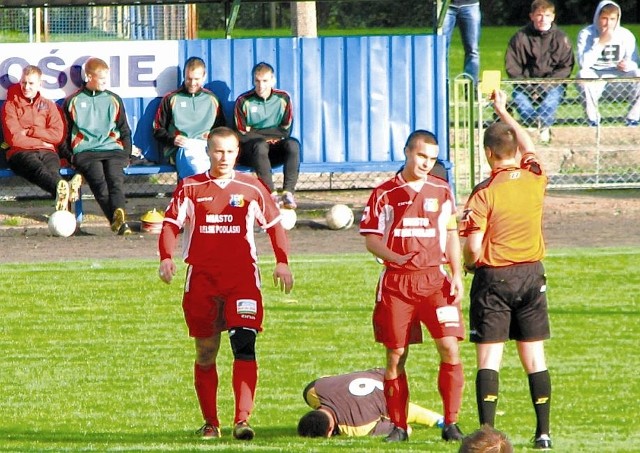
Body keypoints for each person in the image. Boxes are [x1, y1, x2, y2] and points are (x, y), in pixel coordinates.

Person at [157, 126, 294, 441]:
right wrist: (166, 257)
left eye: (230, 151)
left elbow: (274, 225)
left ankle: (242, 420)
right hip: (202, 280)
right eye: (218, 151)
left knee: (244, 345)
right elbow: (170, 225)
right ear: (208, 151)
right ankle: (210, 423)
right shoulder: (190, 187)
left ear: (237, 153)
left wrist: (282, 262)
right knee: (206, 351)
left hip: (242, 278)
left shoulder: (251, 186)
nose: (224, 157)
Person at [458, 89, 552, 450]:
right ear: (514, 152)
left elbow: (473, 246)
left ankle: (486, 435)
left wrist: (469, 265)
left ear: (487, 154)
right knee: (534, 357)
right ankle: (543, 433)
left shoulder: (483, 193)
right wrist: (504, 112)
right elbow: (527, 144)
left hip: (494, 278)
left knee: (490, 357)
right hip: (531, 274)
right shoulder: (535, 176)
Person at [359, 130, 465, 443]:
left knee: (449, 347)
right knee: (396, 354)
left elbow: (451, 234)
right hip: (397, 283)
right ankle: (399, 426)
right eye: (421, 156)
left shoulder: (442, 190)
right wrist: (396, 257)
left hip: (435, 280)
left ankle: (452, 423)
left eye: (431, 159)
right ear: (407, 152)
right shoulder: (384, 192)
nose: (425, 163)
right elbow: (371, 239)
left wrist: (457, 273)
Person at [60, 57, 133, 235]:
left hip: (113, 150)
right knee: (100, 185)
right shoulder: (72, 101)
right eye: (101, 79)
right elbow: (63, 135)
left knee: (115, 181)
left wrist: (126, 154)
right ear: (89, 77)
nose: (104, 83)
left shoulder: (114, 99)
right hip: (86, 152)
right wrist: (71, 157)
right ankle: (119, 222)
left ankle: (119, 219)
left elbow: (124, 130)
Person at [1, 65, 82, 211]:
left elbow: (57, 135)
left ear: (39, 84)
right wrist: (43, 138)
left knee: (52, 173)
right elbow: (14, 139)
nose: (26, 87)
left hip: (47, 151)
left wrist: (31, 131)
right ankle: (64, 191)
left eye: (31, 83)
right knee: (40, 171)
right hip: (20, 153)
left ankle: (64, 212)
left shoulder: (49, 105)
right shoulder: (10, 106)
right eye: (24, 82)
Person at [297, 367, 444, 438]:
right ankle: (439, 420)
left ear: (330, 430)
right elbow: (326, 377)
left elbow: (405, 429)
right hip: (381, 373)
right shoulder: (312, 391)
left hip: (392, 389)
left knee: (394, 411)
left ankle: (439, 420)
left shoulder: (356, 428)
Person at [505, 0, 574, 144]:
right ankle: (535, 125)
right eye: (539, 15)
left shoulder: (561, 38)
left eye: (547, 15)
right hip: (525, 85)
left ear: (553, 17)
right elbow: (513, 66)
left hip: (553, 85)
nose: (543, 19)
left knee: (550, 102)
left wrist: (545, 86)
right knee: (520, 101)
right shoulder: (520, 37)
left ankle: (541, 127)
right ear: (532, 16)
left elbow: (566, 67)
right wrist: (530, 88)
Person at [234, 62, 300, 209]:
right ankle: (271, 195)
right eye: (257, 81)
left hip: (274, 150)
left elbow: (285, 130)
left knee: (293, 144)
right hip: (251, 152)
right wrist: (266, 136)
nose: (261, 86)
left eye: (265, 81)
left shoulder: (284, 98)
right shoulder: (243, 101)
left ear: (272, 80)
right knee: (260, 145)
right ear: (252, 81)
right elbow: (241, 133)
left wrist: (255, 131)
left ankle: (288, 193)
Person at [153, 56, 226, 179]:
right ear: (184, 76)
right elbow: (157, 130)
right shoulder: (171, 99)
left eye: (196, 79)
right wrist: (173, 139)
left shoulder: (212, 99)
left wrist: (212, 137)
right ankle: (190, 193)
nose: (192, 83)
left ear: (204, 77)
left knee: (214, 166)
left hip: (206, 147)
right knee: (194, 169)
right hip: (180, 147)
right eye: (189, 79)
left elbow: (222, 130)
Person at [576, 0, 640, 126]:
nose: (608, 23)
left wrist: (627, 65)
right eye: (604, 18)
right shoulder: (586, 34)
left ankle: (633, 119)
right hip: (595, 79)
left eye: (612, 19)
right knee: (582, 74)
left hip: (619, 80)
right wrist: (601, 42)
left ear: (617, 19)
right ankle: (593, 120)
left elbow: (634, 62)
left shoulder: (626, 35)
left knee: (638, 73)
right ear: (597, 17)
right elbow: (583, 64)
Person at [443, 0, 481, 84]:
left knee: (473, 50)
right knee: (441, 50)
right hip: (444, 6)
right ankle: (442, 90)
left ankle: (471, 91)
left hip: (471, 4)